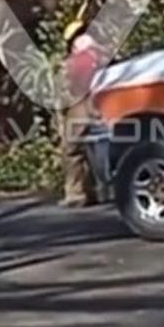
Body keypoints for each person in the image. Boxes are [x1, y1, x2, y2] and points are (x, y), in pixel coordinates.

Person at [60, 21, 107, 208]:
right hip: (106, 106)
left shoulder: (73, 62)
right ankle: (100, 190)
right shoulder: (104, 56)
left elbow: (66, 89)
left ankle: (76, 193)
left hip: (81, 107)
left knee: (72, 150)